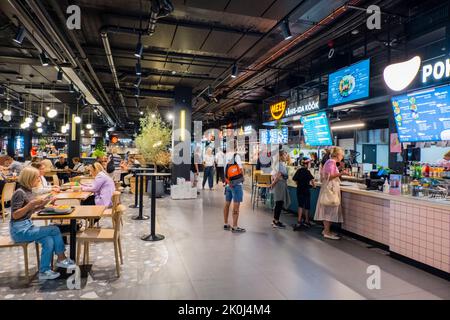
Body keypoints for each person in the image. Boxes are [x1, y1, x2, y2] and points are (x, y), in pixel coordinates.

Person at [9, 167, 75, 280]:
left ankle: (44, 271)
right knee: (54, 229)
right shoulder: (19, 193)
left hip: (28, 226)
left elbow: (31, 210)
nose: (39, 180)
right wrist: (31, 205)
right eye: (37, 178)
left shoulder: (28, 191)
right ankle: (61, 258)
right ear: (29, 179)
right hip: (19, 230)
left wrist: (45, 203)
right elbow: (15, 215)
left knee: (48, 240)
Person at [314, 146, 349, 240]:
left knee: (328, 210)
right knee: (329, 210)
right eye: (341, 155)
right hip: (330, 190)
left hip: (330, 189)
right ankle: (327, 232)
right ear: (337, 155)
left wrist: (339, 168)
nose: (342, 157)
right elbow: (330, 176)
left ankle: (326, 230)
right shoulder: (331, 162)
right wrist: (342, 173)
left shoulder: (331, 163)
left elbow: (329, 173)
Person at [223, 152, 245, 233]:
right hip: (236, 184)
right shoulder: (236, 156)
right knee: (236, 205)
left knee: (227, 203)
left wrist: (227, 181)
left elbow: (224, 170)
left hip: (228, 184)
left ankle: (225, 223)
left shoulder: (225, 156)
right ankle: (235, 226)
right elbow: (241, 169)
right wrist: (243, 178)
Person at [292, 157, 316, 231]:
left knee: (300, 205)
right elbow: (312, 181)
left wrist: (299, 184)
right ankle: (307, 221)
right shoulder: (308, 172)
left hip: (299, 190)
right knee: (307, 205)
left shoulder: (298, 170)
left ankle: (299, 221)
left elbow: (295, 180)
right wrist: (314, 186)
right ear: (306, 164)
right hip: (306, 190)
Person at [270, 150, 290, 229]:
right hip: (279, 185)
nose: (286, 157)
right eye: (285, 155)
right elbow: (278, 176)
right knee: (279, 203)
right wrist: (273, 184)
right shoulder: (280, 164)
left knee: (278, 203)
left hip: (280, 184)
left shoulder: (279, 164)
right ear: (281, 156)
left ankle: (275, 220)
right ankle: (276, 221)